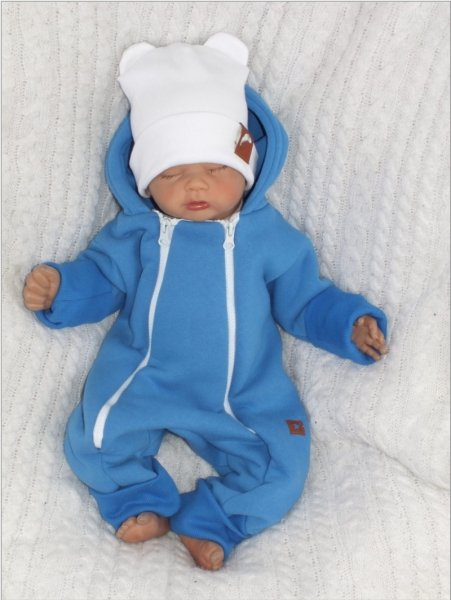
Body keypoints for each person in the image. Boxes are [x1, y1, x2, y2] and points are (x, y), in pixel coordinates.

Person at [23, 33, 389, 571]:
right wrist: (61, 288)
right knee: (94, 436)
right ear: (145, 183)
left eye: (216, 170)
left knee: (283, 466)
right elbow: (101, 278)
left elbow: (305, 299)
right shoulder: (138, 233)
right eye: (172, 172)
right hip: (144, 376)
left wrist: (349, 324)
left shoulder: (268, 236)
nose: (196, 184)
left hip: (243, 393)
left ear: (247, 169)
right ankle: (138, 497)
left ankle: (212, 520)